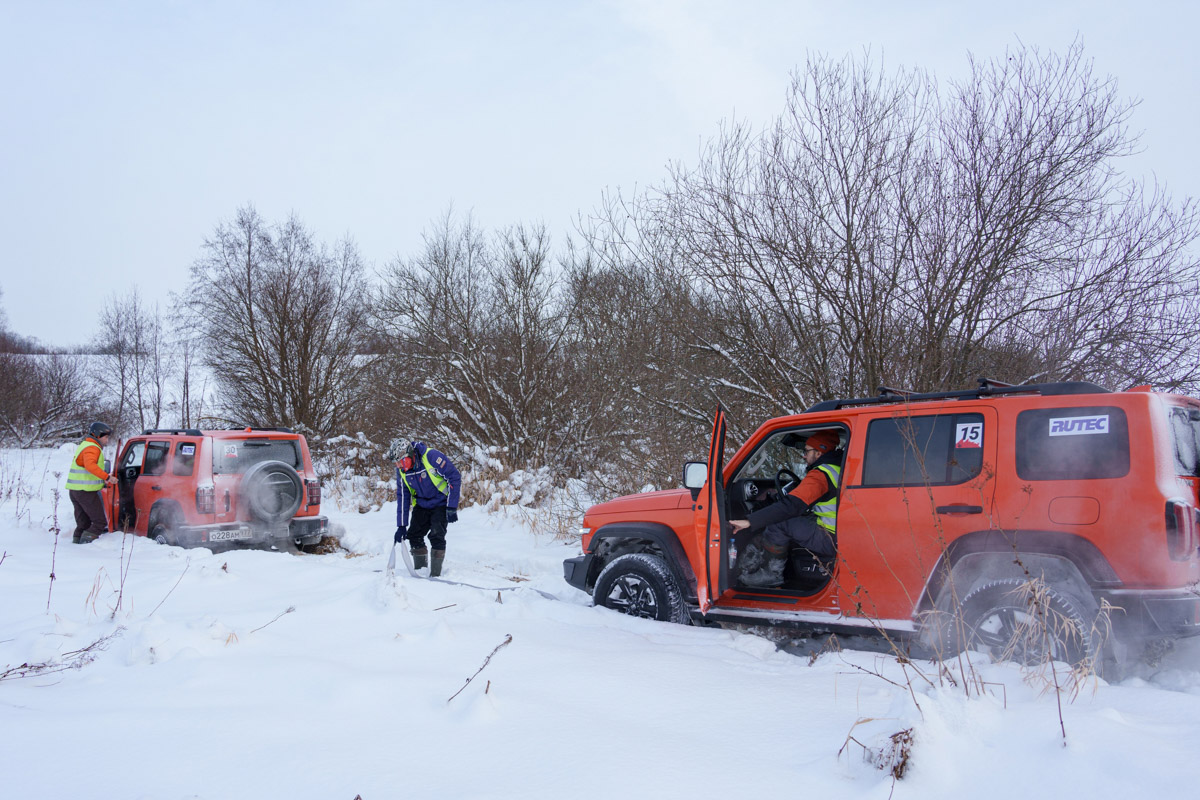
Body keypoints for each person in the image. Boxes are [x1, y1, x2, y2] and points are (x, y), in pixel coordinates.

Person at [730, 430, 842, 588]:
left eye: (807, 450)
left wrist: (750, 521)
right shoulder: (836, 467)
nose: (804, 456)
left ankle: (771, 575)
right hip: (839, 531)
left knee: (780, 523)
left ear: (818, 452)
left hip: (831, 537)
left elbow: (791, 506)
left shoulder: (820, 475)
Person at [388, 438, 462, 577]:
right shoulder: (402, 471)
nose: (398, 466)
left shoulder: (431, 457)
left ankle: (435, 575)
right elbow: (403, 496)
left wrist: (452, 506)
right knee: (414, 535)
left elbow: (454, 476)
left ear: (409, 454)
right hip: (421, 505)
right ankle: (420, 573)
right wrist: (401, 525)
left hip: (440, 503)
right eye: (395, 463)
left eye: (400, 461)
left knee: (436, 535)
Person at [66, 421, 117, 544]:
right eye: (105, 437)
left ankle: (76, 544)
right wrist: (107, 477)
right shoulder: (92, 448)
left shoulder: (85, 445)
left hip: (75, 491)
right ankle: (86, 547)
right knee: (99, 522)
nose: (107, 440)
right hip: (85, 492)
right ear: (98, 435)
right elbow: (90, 465)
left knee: (83, 523)